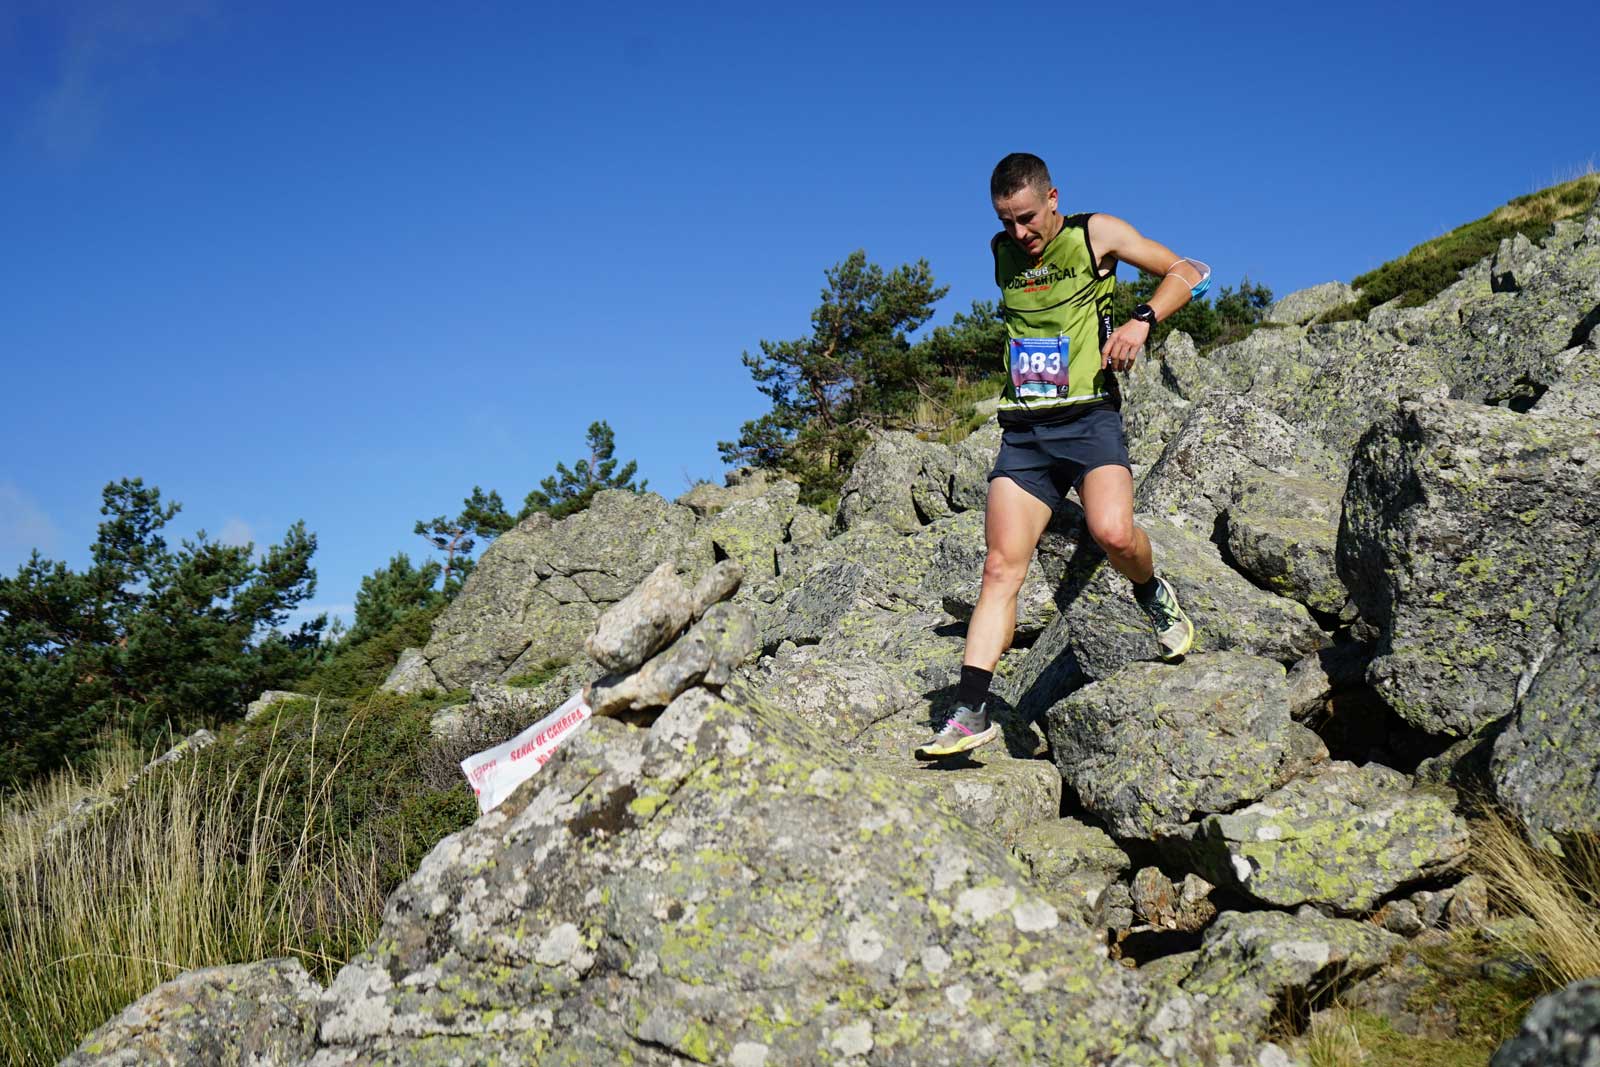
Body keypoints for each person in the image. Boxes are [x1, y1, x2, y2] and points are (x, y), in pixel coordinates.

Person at [916, 152, 1207, 760]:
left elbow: (1191, 268)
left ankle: (1151, 592)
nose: (1018, 233)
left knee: (1114, 533)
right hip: (1024, 432)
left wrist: (1141, 320)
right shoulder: (1001, 253)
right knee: (1000, 569)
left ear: (1053, 198)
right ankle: (970, 712)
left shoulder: (1093, 234)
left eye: (1027, 217)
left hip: (1089, 419)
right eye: (1006, 220)